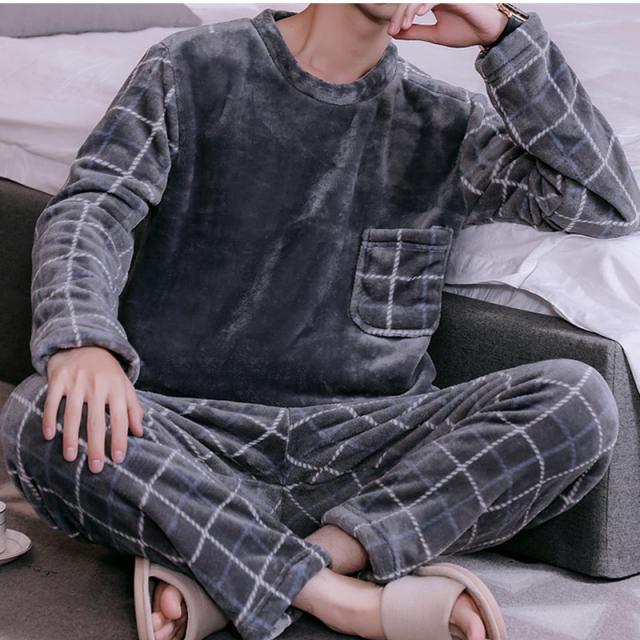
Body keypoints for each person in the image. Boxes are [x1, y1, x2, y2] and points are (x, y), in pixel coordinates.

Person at [1, 3, 638, 640]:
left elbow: (604, 202)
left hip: (363, 447)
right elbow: (95, 206)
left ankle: (251, 564)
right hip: (190, 433)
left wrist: (503, 34)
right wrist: (82, 341)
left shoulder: (447, 119)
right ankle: (340, 598)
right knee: (38, 415)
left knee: (578, 399)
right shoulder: (190, 67)